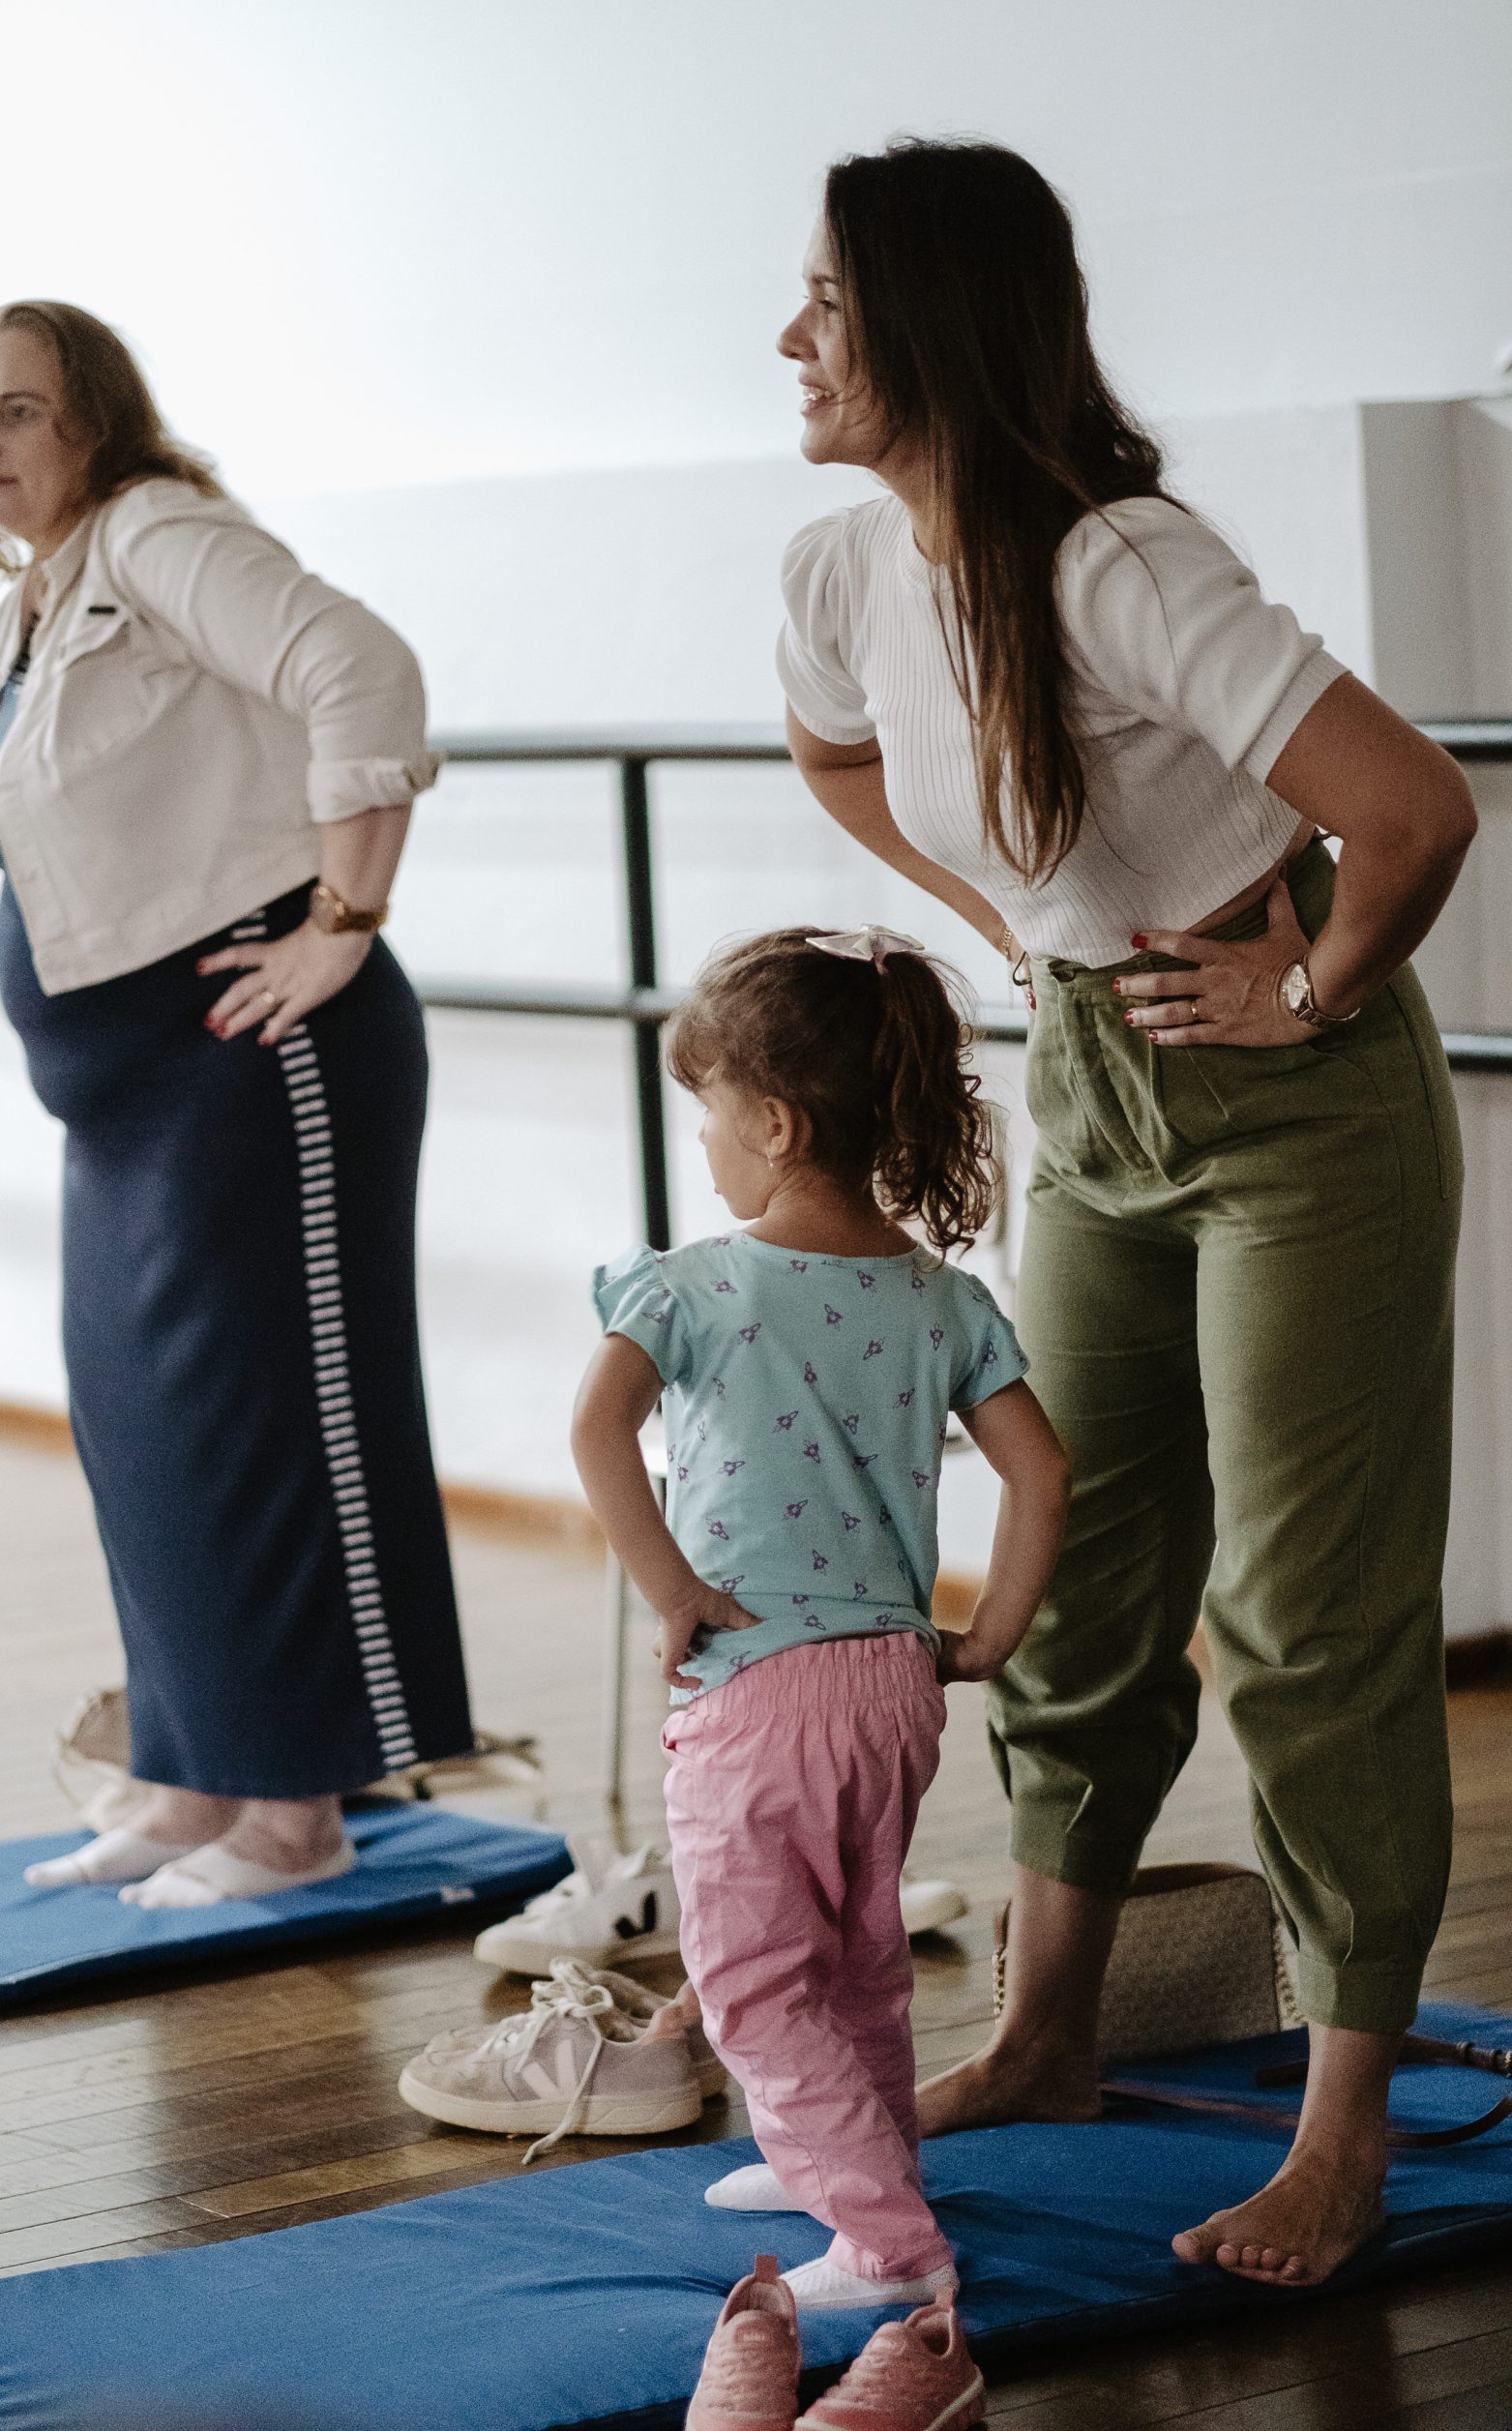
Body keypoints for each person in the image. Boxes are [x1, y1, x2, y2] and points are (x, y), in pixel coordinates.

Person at [771, 137, 1477, 2289]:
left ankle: (1340, 2127)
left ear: (931, 317)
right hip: (1089, 1082)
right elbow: (832, 758)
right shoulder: (839, 566)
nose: (789, 335)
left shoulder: (1114, 562)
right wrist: (1019, 919)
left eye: (822, 297)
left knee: (1305, 1620)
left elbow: (1410, 805)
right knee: (1070, 1579)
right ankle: (1048, 2029)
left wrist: (1313, 974)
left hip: (1295, 1110)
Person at [0, 301, 473, 1906]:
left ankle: (297, 1810)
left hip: (259, 1070)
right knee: (148, 1427)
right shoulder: (39, 603)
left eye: (21, 412)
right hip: (131, 1105)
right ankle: (191, 1771)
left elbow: (359, 666)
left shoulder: (159, 533)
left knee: (267, 1428)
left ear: (98, 423)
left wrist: (345, 922)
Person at [572, 927, 1068, 2362]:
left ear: (776, 1123)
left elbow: (598, 1429)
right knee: (851, 1955)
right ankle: (839, 2161)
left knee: (749, 1978)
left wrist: (668, 1585)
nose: (710, 1148)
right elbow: (1046, 1475)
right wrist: (987, 1640)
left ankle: (892, 2249)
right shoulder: (944, 1301)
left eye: (712, 1115)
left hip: (762, 1696)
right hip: (894, 1687)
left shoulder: (691, 1286)